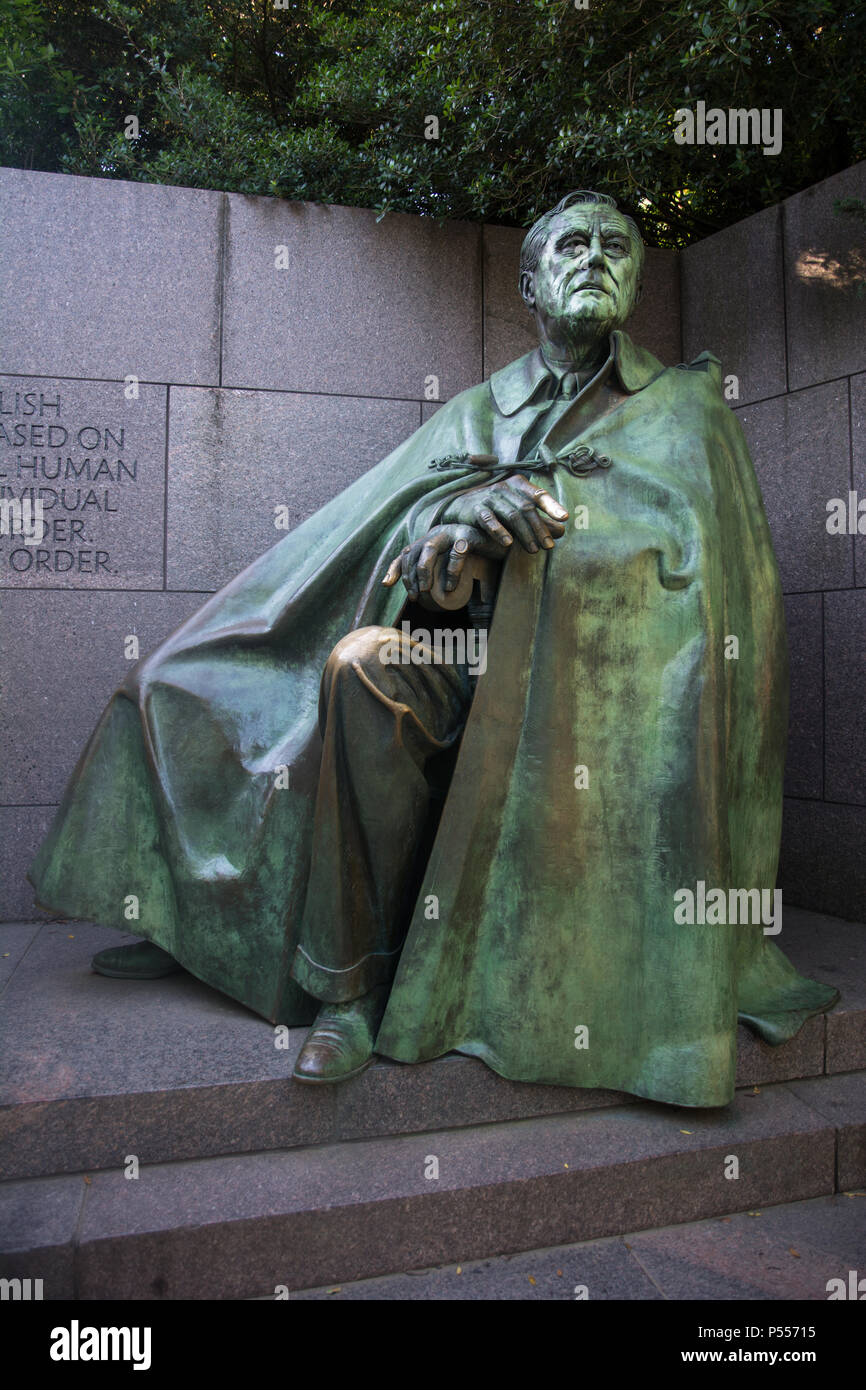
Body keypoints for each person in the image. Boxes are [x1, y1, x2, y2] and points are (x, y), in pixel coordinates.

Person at [29, 191, 838, 1107]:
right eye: (571, 244)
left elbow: (708, 585)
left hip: (591, 698)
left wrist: (546, 540)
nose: (595, 258)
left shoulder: (687, 408)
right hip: (464, 662)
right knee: (323, 669)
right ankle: (327, 980)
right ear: (530, 281)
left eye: (616, 245)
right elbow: (392, 543)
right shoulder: (477, 411)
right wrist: (451, 527)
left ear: (641, 277)